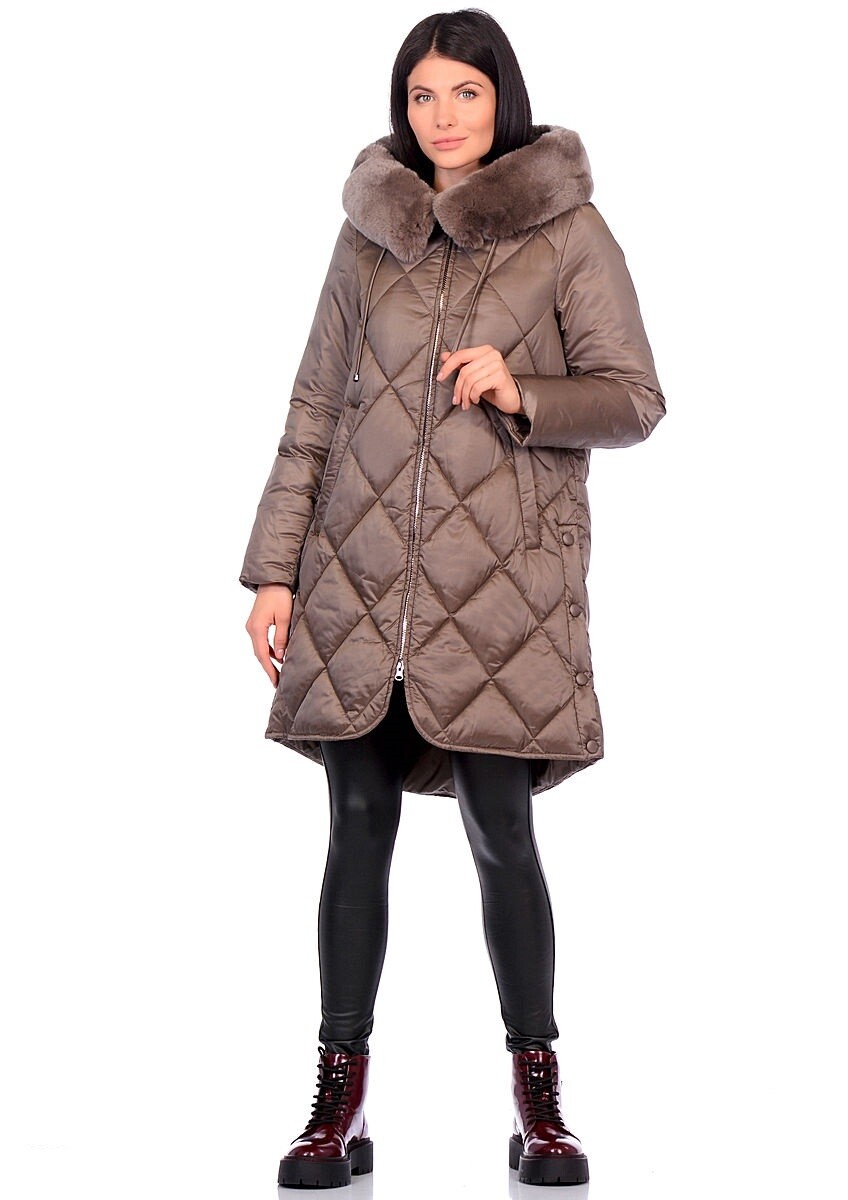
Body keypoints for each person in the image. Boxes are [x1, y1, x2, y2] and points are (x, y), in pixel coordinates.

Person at [240, 7, 665, 1188]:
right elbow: (314, 405)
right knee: (355, 827)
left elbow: (635, 397)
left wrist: (521, 388)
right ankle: (337, 1103)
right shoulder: (366, 236)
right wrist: (274, 568)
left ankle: (540, 1102)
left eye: (466, 94)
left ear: (502, 100)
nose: (443, 116)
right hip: (357, 582)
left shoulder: (567, 231)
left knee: (502, 833)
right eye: (423, 96)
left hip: (501, 595)